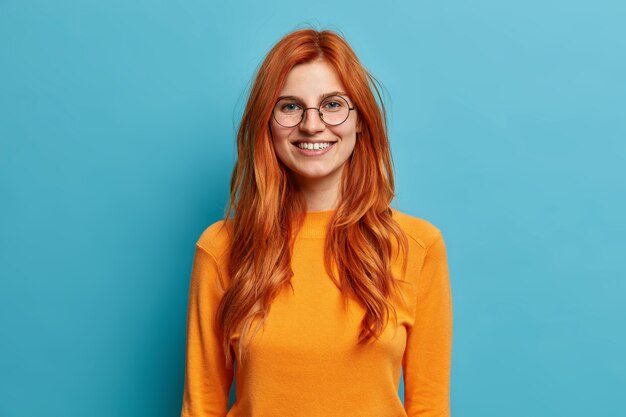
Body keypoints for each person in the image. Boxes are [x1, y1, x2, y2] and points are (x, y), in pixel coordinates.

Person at [180, 27, 453, 417]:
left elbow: (429, 407)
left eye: (332, 104)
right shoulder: (221, 247)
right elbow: (201, 407)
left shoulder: (418, 245)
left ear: (361, 120)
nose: (312, 125)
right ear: (267, 123)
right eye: (290, 106)